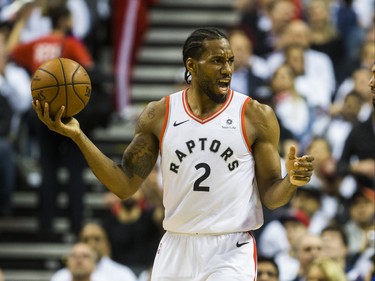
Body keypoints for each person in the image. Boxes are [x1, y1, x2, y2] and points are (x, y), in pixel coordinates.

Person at [32, 27, 314, 280]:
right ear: (191, 65)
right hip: (176, 245)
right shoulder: (159, 114)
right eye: (217, 61)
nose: (227, 69)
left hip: (230, 248)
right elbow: (123, 184)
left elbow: (271, 197)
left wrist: (292, 181)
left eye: (230, 61)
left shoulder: (255, 115)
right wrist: (79, 136)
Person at [7, 4, 94, 236]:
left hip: (43, 112)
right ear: (64, 20)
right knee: (75, 169)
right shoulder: (72, 44)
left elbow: (10, 51)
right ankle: (77, 224)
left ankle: (46, 225)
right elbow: (88, 72)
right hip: (71, 114)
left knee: (48, 168)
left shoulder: (37, 44)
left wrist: (21, 23)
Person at [51, 222, 138, 281]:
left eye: (97, 239)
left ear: (107, 245)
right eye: (86, 239)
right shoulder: (60, 277)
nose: (91, 244)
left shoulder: (122, 274)